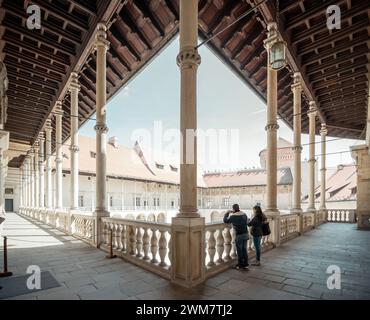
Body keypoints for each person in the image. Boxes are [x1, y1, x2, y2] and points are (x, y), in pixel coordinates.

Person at [223, 204, 249, 270]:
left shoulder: (233, 217)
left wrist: (227, 213)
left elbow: (225, 220)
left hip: (239, 235)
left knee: (239, 251)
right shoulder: (244, 214)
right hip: (246, 234)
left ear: (233, 209)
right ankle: (246, 265)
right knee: (244, 250)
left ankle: (240, 265)